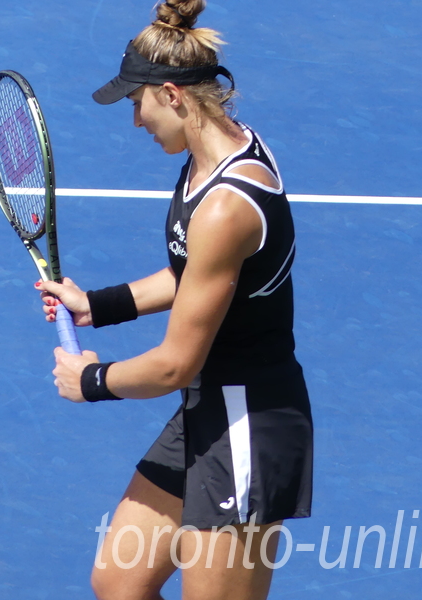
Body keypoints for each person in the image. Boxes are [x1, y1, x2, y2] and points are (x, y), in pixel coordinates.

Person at [37, 2, 313, 598]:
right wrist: (98, 305)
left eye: (136, 103)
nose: (135, 120)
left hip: (247, 423)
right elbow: (190, 273)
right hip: (206, 407)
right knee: (119, 581)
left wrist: (91, 379)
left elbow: (174, 364)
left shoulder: (226, 207)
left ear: (171, 94)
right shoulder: (210, 155)